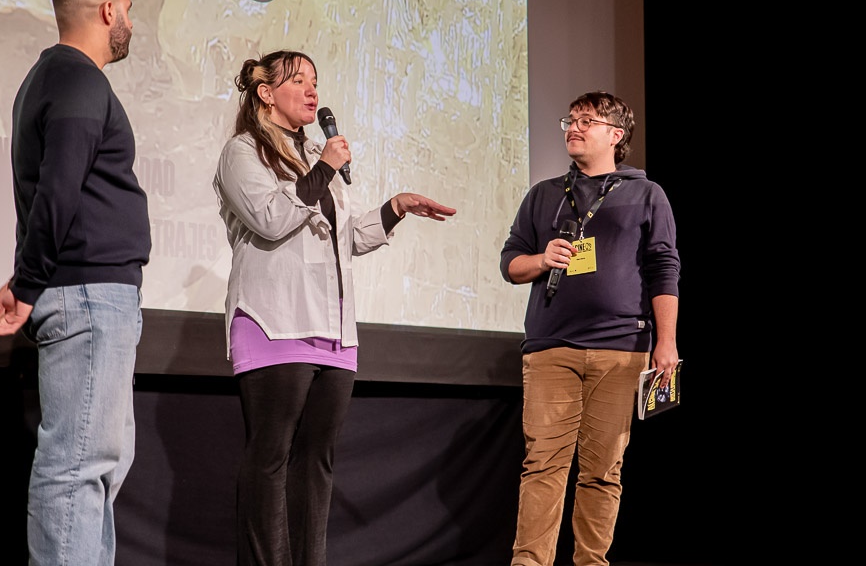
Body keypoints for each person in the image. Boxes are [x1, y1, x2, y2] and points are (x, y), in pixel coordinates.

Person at [213, 49, 456, 566]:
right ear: (265, 92)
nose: (312, 91)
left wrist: (395, 209)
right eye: (298, 81)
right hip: (274, 323)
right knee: (271, 459)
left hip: (334, 332)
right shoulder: (243, 152)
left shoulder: (309, 161)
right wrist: (323, 166)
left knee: (316, 463)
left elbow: (345, 239)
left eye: (315, 82)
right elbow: (271, 219)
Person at [0, 0, 151, 566]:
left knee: (96, 465)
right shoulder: (78, 80)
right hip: (88, 296)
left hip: (87, 292)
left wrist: (23, 279)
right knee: (77, 469)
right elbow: (57, 190)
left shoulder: (53, 78)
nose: (130, 21)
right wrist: (29, 284)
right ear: (108, 10)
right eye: (127, 9)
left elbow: (55, 195)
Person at [499, 91, 681, 566]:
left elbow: (664, 268)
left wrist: (667, 342)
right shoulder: (543, 194)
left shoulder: (646, 194)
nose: (573, 127)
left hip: (621, 350)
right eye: (570, 119)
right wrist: (540, 259)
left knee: (602, 471)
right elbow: (511, 264)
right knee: (542, 465)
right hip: (550, 348)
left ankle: (590, 563)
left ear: (616, 136)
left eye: (587, 120)